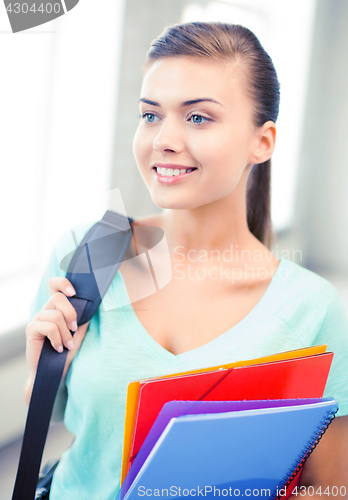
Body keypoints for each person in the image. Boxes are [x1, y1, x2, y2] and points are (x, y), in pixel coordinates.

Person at [24, 22, 348, 499]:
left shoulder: (312, 309)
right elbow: (54, 420)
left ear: (263, 141)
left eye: (198, 117)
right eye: (150, 115)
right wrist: (45, 367)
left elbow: (329, 488)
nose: (164, 139)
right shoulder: (88, 253)